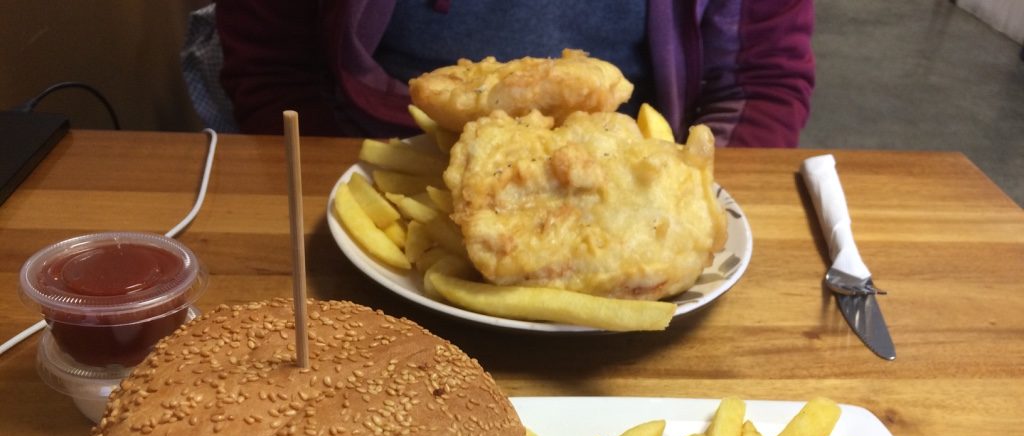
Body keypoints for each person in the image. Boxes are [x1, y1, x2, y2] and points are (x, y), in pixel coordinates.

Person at [214, 0, 814, 147]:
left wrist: (693, 200)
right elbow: (273, 68)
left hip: (638, 177)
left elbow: (761, 84)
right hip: (367, 172)